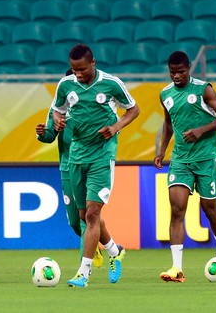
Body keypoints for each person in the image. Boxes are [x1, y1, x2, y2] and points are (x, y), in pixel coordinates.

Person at [51, 44, 140, 288]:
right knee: (84, 215)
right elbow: (57, 111)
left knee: (92, 214)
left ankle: (83, 272)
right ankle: (114, 251)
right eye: (74, 70)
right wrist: (58, 121)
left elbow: (134, 109)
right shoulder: (65, 85)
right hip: (76, 156)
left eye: (82, 69)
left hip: (102, 155)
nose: (78, 74)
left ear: (93, 63)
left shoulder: (111, 83)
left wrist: (115, 127)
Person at [154, 51, 216, 283]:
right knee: (177, 210)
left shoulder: (203, 89)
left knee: (210, 210)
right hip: (180, 159)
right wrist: (162, 150)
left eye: (181, 71)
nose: (177, 76)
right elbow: (169, 122)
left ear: (189, 68)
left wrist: (201, 130)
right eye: (172, 72)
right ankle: (177, 268)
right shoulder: (165, 94)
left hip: (206, 158)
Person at [35, 69, 103, 269]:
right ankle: (104, 246)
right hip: (67, 166)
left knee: (88, 216)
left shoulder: (91, 105)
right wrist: (44, 132)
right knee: (75, 221)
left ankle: (84, 267)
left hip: (91, 163)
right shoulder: (57, 108)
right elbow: (49, 136)